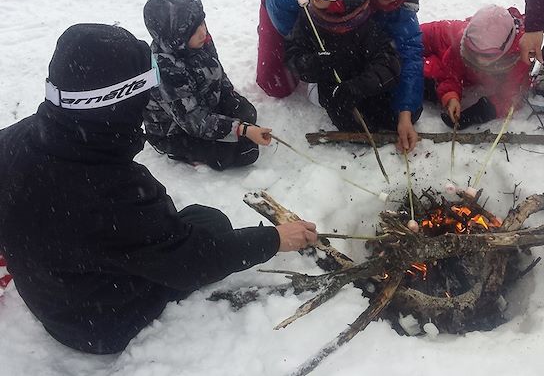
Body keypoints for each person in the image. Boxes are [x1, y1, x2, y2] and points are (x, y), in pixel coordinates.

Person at [0, 24, 318, 354]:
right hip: (100, 323)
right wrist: (274, 239)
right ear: (117, 102)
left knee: (190, 225)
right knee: (211, 224)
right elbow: (192, 262)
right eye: (147, 85)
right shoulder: (111, 193)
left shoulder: (14, 139)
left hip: (54, 294)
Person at [257, 0, 442, 151]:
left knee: (368, 61)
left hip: (348, 6)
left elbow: (407, 47)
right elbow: (291, 32)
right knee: (276, 85)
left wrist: (405, 111)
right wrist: (316, 60)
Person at [144, 0, 273, 170]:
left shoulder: (197, 38)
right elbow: (193, 120)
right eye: (194, 31)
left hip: (203, 101)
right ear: (174, 38)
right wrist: (241, 129)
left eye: (202, 23)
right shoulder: (166, 70)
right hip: (176, 129)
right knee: (243, 153)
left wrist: (228, 94)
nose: (203, 32)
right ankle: (182, 151)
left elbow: (216, 68)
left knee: (247, 112)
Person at [285, 0, 402, 132]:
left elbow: (388, 63)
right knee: (352, 124)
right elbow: (293, 54)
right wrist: (314, 64)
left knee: (389, 115)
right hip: (329, 85)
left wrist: (357, 87)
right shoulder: (308, 16)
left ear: (346, 0)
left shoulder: (363, 24)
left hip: (358, 80)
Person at [422, 5, 530, 128]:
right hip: (442, 38)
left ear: (505, 48)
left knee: (427, 71)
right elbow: (450, 71)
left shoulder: (518, 58)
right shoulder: (461, 39)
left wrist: (480, 112)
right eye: (473, 51)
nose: (479, 59)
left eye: (488, 55)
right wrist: (451, 97)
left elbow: (511, 96)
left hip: (445, 53)